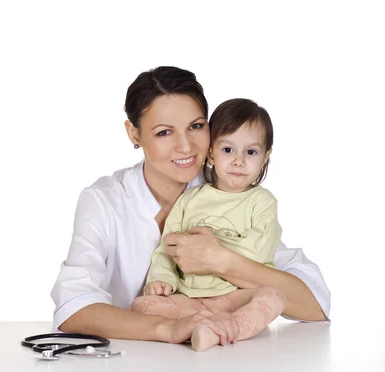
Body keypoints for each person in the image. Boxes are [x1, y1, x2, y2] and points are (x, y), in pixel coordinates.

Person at [50, 66, 330, 346]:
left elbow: (315, 302)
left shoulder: (230, 190)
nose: (185, 147)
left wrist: (222, 260)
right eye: (164, 132)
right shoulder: (103, 201)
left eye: (196, 126)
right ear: (134, 134)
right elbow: (73, 307)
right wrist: (168, 329)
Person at [132, 98, 285, 351]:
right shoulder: (191, 199)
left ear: (265, 157)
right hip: (189, 298)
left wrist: (212, 248)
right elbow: (168, 246)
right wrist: (162, 278)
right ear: (211, 152)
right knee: (142, 305)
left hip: (235, 297)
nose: (238, 161)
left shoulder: (262, 202)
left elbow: (258, 252)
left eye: (251, 152)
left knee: (273, 297)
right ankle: (201, 324)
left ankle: (224, 328)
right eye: (228, 150)